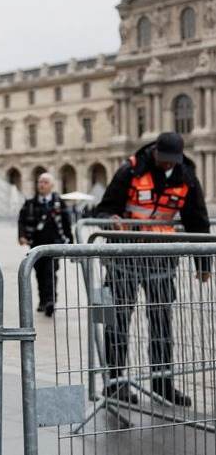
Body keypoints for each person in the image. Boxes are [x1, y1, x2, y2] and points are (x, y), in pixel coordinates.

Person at [93, 132, 210, 407]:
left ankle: (162, 384)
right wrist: (110, 219)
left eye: (172, 160)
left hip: (160, 260)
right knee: (117, 321)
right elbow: (103, 209)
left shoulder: (186, 177)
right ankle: (115, 384)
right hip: (124, 258)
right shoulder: (130, 170)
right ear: (155, 151)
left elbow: (198, 221)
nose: (167, 164)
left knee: (161, 323)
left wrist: (204, 263)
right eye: (164, 159)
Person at [17, 172, 74, 317]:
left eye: (45, 182)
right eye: (40, 182)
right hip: (36, 244)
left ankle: (50, 300)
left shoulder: (59, 203)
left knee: (50, 272)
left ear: (52, 185)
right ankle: (43, 300)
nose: (41, 184)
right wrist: (22, 235)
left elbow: (67, 223)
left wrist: (71, 243)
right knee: (39, 273)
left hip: (54, 244)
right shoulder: (30, 203)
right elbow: (22, 220)